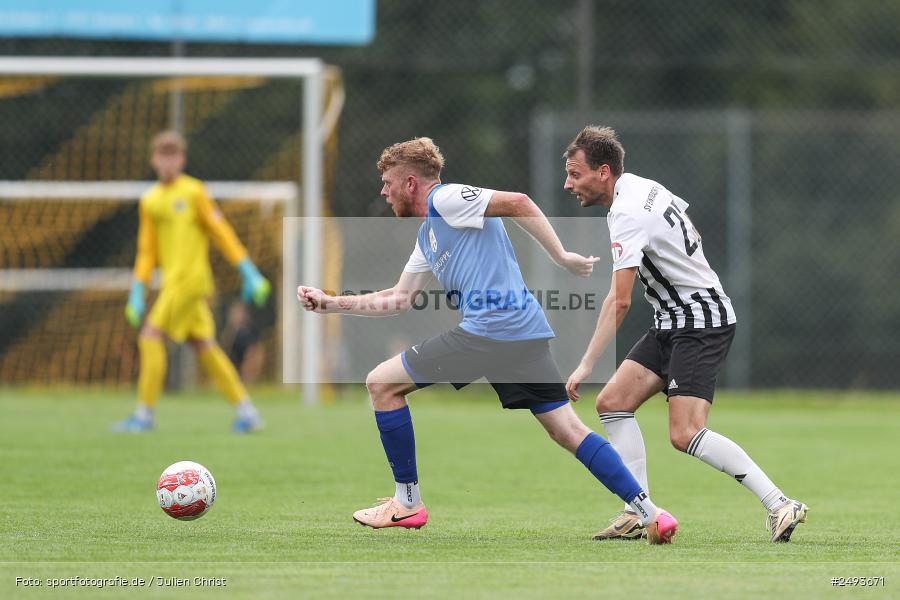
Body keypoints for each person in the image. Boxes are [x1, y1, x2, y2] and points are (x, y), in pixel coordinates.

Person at [297, 137, 679, 543]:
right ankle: (650, 511)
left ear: (411, 182)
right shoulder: (428, 235)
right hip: (522, 333)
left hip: (491, 331)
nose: (383, 191)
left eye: (388, 182)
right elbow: (399, 298)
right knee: (567, 429)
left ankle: (407, 503)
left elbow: (519, 201)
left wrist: (562, 257)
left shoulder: (446, 199)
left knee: (381, 383)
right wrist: (330, 303)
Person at [562, 125, 807, 542]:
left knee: (685, 432)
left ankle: (780, 504)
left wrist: (586, 363)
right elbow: (694, 232)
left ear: (604, 172)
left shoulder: (625, 212)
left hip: (700, 321)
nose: (569, 184)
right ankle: (637, 511)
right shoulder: (642, 186)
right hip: (674, 319)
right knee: (614, 402)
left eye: (575, 174)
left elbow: (618, 301)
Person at [114, 130, 269, 433]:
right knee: (205, 345)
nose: (168, 161)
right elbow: (147, 251)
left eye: (174, 155)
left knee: (149, 336)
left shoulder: (194, 192)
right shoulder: (150, 201)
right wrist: (137, 291)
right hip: (174, 283)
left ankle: (144, 415)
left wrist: (248, 270)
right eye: (163, 155)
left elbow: (220, 232)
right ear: (154, 159)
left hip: (191, 280)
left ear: (182, 159)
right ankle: (248, 412)